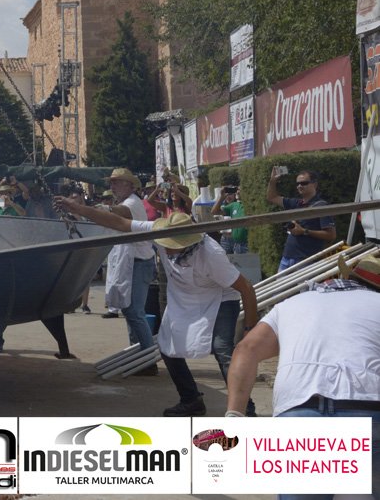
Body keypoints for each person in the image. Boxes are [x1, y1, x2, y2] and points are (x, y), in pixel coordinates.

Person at [56, 197, 259, 416]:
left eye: (172, 245)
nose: (166, 248)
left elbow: (246, 289)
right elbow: (119, 222)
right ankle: (191, 399)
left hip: (219, 298)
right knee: (167, 345)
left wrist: (250, 330)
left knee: (223, 350)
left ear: (188, 243)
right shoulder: (158, 230)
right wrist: (79, 209)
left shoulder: (211, 254)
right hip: (183, 298)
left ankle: (245, 408)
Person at [226, 254, 380, 500]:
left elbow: (246, 350)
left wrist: (234, 417)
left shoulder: (293, 304)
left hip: (300, 410)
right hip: (368, 410)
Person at [98, 168, 157, 373]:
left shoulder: (131, 203)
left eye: (116, 182)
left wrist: (93, 209)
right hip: (134, 262)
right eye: (111, 183)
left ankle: (147, 359)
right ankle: (139, 355)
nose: (112, 186)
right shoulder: (127, 202)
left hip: (138, 263)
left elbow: (118, 213)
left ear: (129, 185)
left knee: (134, 312)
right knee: (130, 310)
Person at [266, 167, 336, 272]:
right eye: (298, 183)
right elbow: (271, 197)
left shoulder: (321, 206)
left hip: (306, 260)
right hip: (287, 257)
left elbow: (331, 235)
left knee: (305, 285)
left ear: (315, 184)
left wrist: (304, 231)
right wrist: (272, 181)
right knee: (280, 284)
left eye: (304, 183)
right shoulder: (296, 203)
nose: (299, 186)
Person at [211, 185, 247, 253]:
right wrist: (221, 197)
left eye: (240, 190)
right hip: (236, 245)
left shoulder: (249, 206)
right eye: (237, 190)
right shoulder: (234, 205)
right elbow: (214, 211)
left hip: (246, 245)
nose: (237, 192)